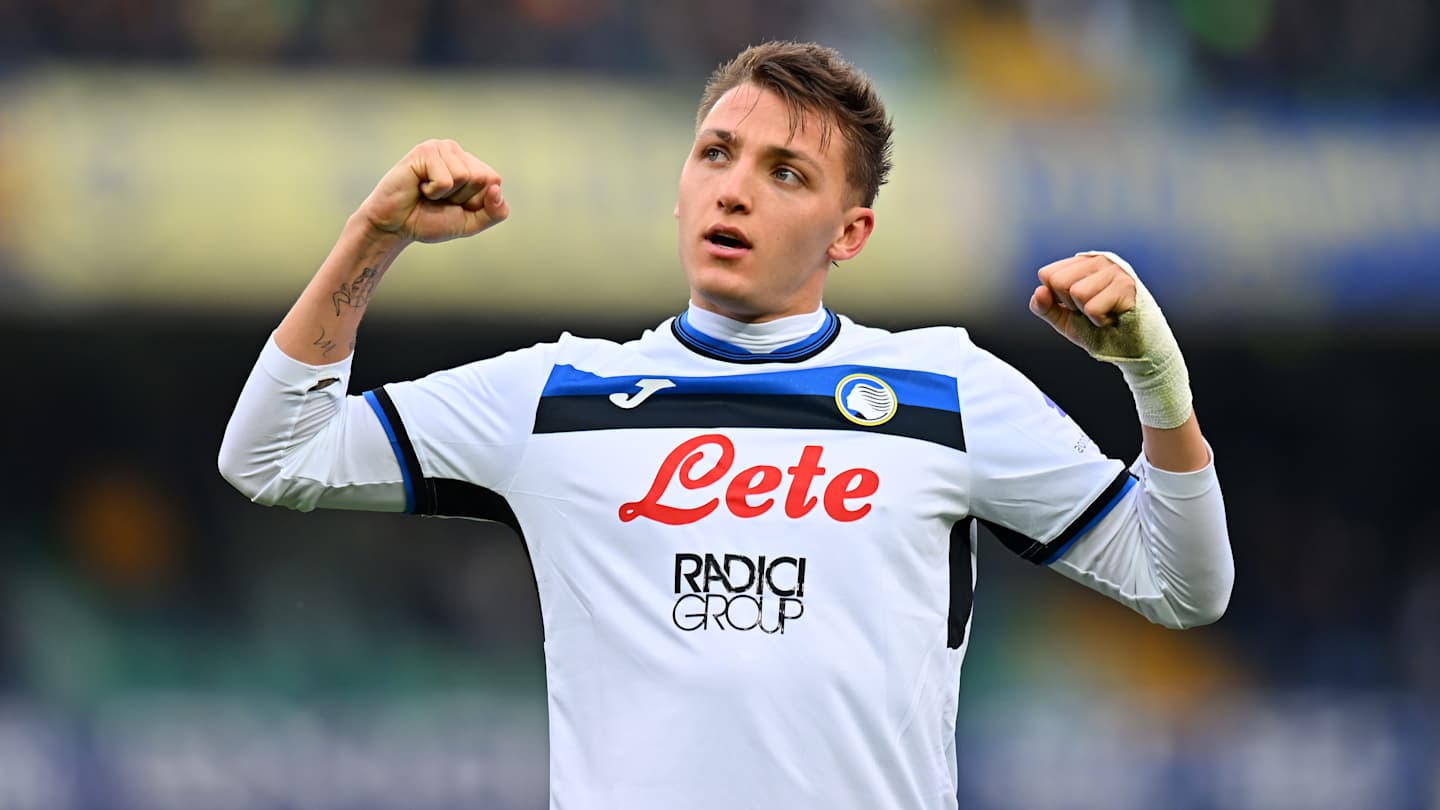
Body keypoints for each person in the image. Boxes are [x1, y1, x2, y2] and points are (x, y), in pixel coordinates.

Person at [219, 40, 1233, 810]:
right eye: (716, 154)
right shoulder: (556, 396)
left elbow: (1183, 584)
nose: (735, 189)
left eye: (785, 173)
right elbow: (272, 453)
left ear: (850, 232)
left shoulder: (946, 390)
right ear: (683, 187)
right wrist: (373, 238)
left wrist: (1156, 378)